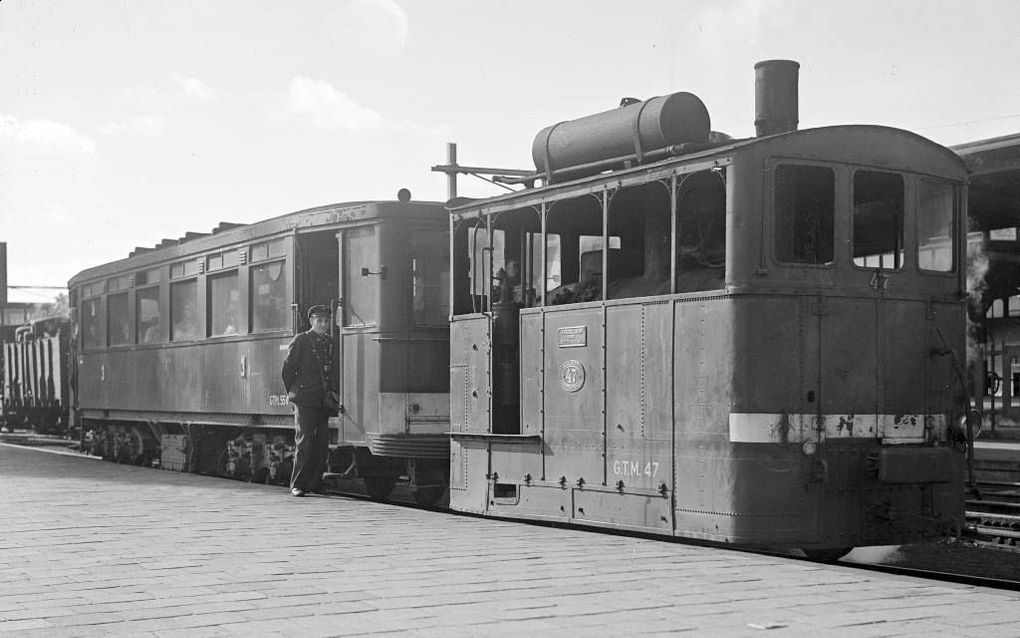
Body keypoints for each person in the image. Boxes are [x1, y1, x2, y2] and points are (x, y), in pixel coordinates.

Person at [281, 305, 335, 497]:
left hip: (321, 400)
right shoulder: (302, 340)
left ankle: (314, 482)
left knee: (321, 442)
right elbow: (287, 370)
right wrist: (294, 394)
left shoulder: (329, 341)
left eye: (326, 321)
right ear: (311, 321)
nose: (323, 324)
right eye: (319, 321)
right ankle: (297, 483)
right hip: (304, 398)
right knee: (305, 441)